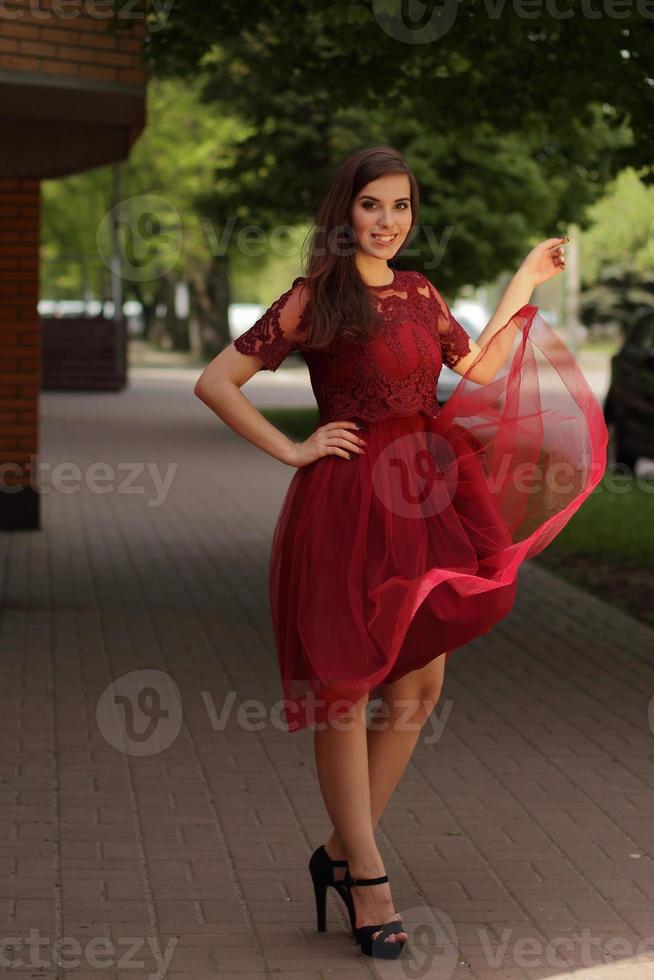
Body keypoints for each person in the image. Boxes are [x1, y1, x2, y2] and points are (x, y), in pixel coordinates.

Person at [193, 145, 608, 960]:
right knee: (347, 684)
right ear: (344, 213)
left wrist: (523, 282)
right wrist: (293, 450)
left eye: (402, 207)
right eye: (372, 206)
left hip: (425, 491)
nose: (388, 222)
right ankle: (370, 876)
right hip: (348, 501)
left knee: (418, 684)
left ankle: (341, 853)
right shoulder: (316, 298)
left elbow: (477, 366)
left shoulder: (420, 292)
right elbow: (215, 381)